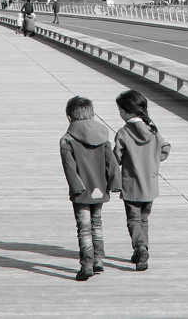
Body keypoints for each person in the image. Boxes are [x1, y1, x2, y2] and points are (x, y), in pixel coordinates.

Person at [60, 96, 120, 281]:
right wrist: (115, 183)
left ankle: (86, 263)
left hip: (81, 191)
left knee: (84, 228)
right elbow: (112, 163)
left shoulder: (67, 140)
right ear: (91, 113)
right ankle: (99, 261)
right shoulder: (103, 137)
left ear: (70, 116)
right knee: (97, 223)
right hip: (99, 189)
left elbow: (70, 168)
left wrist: (77, 187)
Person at [113, 89, 171, 272]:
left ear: (127, 111)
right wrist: (154, 161)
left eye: (120, 110)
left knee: (133, 219)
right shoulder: (153, 129)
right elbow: (165, 148)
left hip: (131, 185)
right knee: (144, 219)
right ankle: (142, 249)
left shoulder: (123, 133)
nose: (119, 113)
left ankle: (140, 247)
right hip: (150, 185)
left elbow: (116, 159)